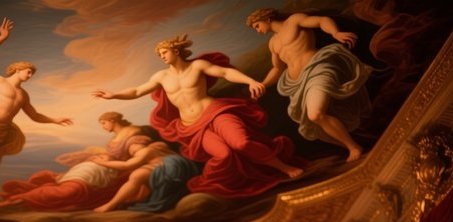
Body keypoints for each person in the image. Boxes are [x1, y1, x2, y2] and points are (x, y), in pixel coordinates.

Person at [93, 35, 304, 199]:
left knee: (241, 142)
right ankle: (240, 182)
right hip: (191, 125)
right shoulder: (161, 76)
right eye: (160, 55)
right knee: (222, 155)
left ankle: (284, 167)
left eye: (164, 52)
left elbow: (224, 73)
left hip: (215, 112)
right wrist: (114, 95)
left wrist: (249, 81)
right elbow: (137, 91)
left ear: (176, 50)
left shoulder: (197, 66)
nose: (162, 56)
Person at [246, 8, 372, 162]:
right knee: (316, 118)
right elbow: (277, 68)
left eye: (257, 26)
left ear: (266, 19)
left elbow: (321, 20)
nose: (258, 31)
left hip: (318, 68)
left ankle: (353, 147)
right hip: (298, 83)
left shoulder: (294, 21)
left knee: (315, 114)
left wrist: (335, 32)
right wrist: (263, 84)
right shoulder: (273, 43)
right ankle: (351, 146)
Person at [0, 111, 151, 209]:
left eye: (103, 123)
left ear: (112, 120)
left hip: (105, 169)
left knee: (72, 191)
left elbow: (135, 153)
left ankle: (22, 197)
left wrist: (104, 160)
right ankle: (23, 197)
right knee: (69, 187)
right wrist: (97, 156)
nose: (103, 126)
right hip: (96, 167)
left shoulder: (132, 134)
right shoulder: (118, 136)